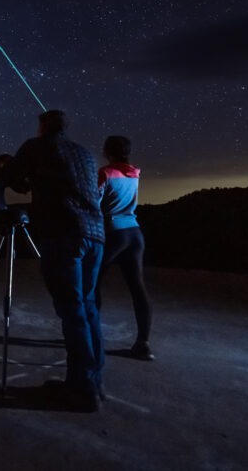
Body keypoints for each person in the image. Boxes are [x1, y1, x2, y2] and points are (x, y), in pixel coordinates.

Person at [1, 110, 106, 411]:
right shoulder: (84, 153)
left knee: (72, 311)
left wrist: (2, 169)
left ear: (43, 126)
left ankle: (84, 391)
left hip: (64, 235)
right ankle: (90, 382)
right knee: (87, 308)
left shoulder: (36, 146)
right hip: (95, 235)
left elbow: (12, 178)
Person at [98, 135, 154, 360]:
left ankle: (89, 335)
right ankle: (143, 344)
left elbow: (94, 201)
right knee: (138, 289)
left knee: (91, 285)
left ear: (107, 151)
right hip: (134, 233)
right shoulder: (134, 174)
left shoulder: (105, 173)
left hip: (114, 233)